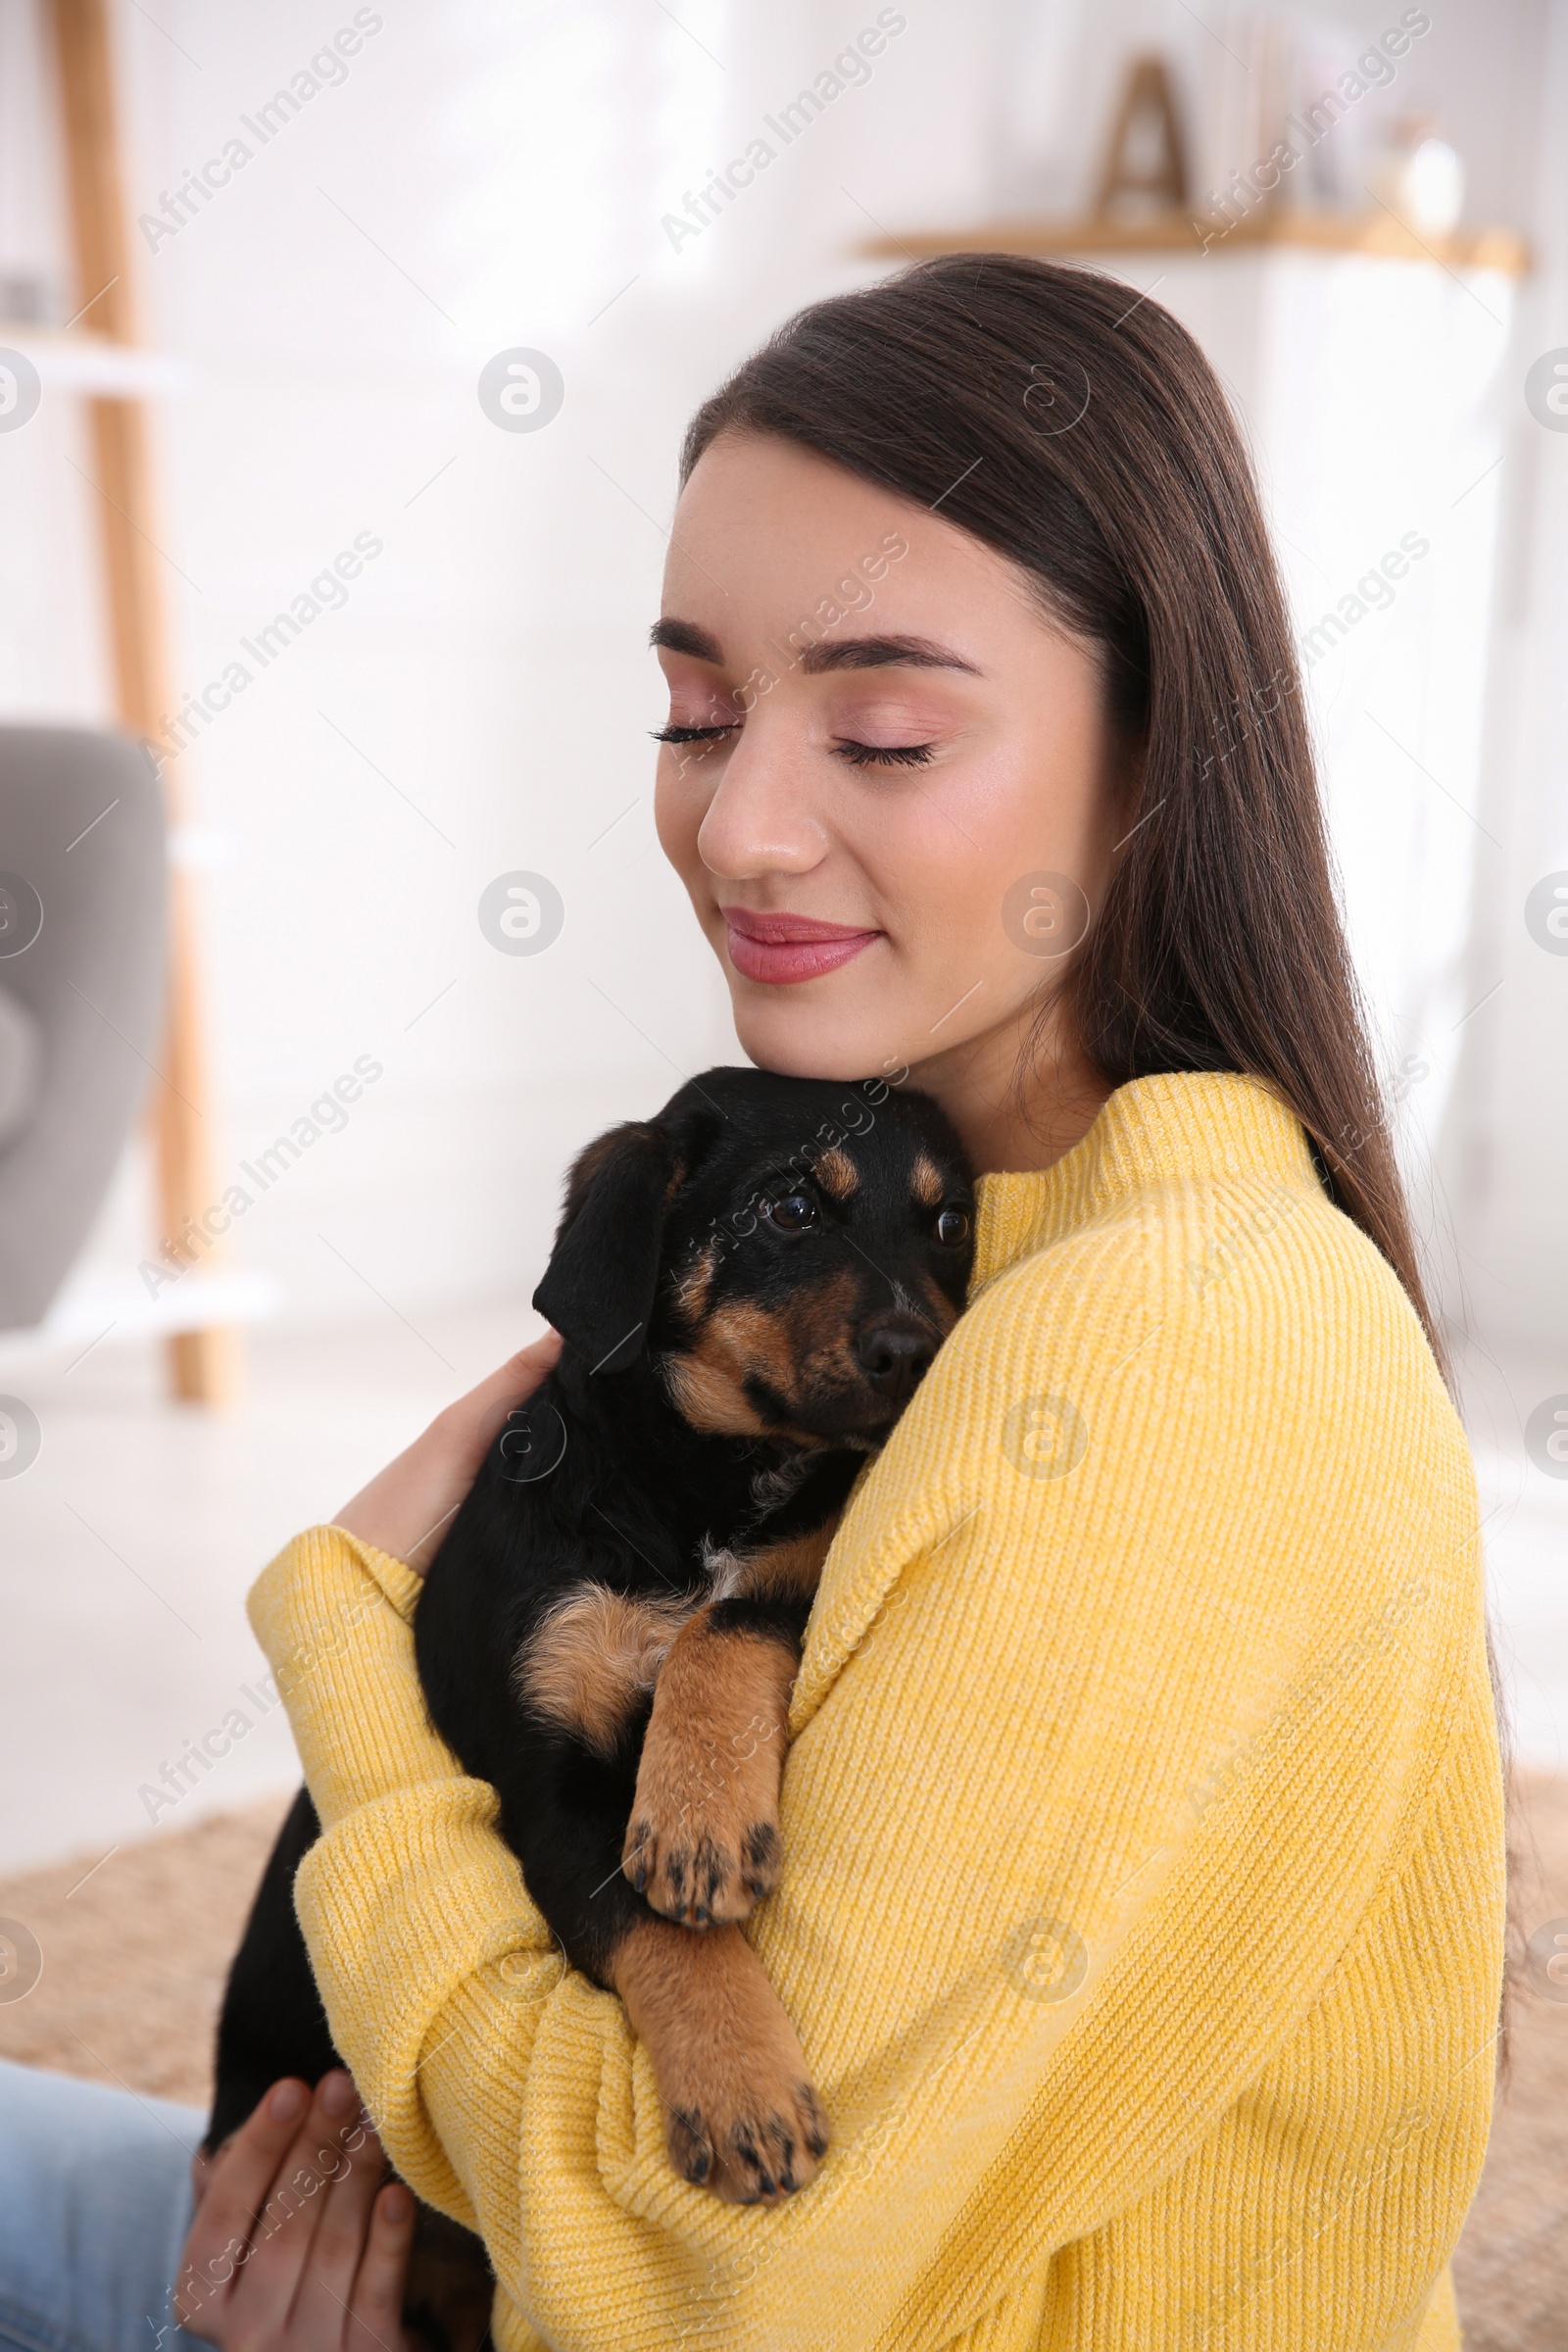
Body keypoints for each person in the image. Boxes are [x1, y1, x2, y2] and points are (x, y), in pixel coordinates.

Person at [0, 255, 1509, 2351]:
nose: (740, 821)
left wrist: (350, 1646)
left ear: (1155, 741)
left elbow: (688, 2286)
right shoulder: (1018, 1237)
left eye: (880, 728)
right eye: (693, 712)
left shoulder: (1166, 1354)